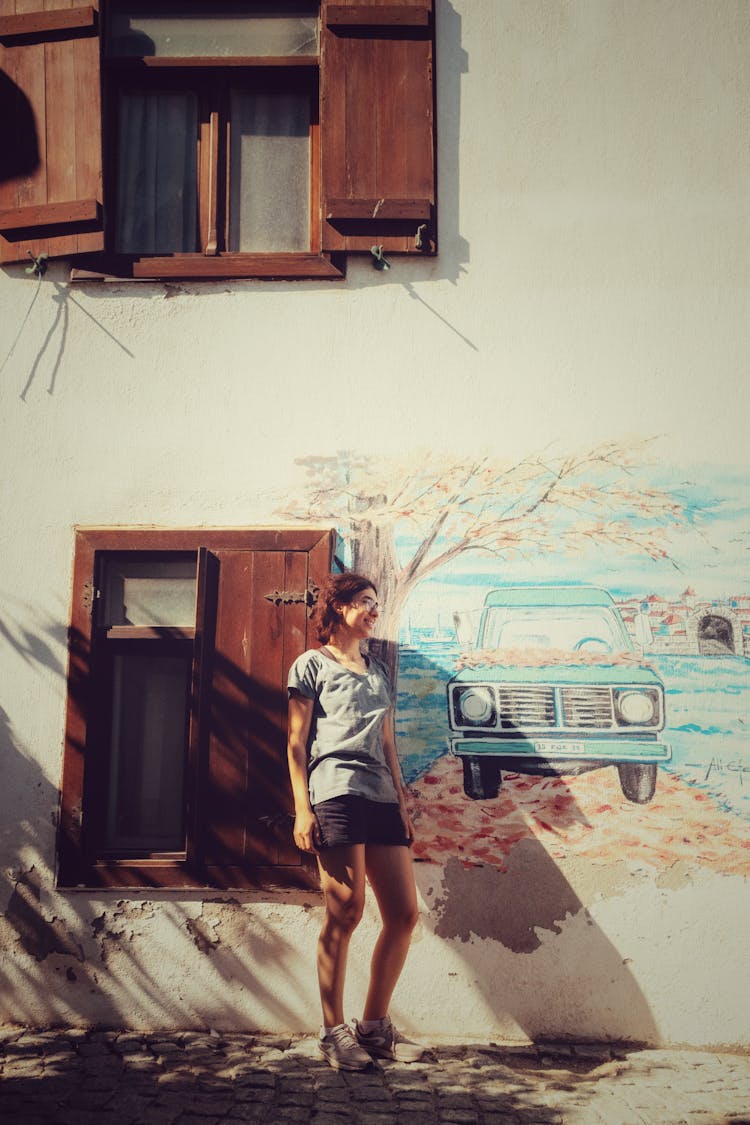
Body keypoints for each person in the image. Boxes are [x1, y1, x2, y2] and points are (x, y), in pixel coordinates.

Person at [286, 571, 424, 1071]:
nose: (373, 611)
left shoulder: (379, 671)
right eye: (365, 602)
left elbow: (387, 744)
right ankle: (331, 1032)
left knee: (404, 914)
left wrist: (403, 806)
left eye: (376, 604)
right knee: (346, 910)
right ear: (339, 607)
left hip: (381, 797)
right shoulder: (311, 665)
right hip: (335, 793)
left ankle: (374, 1028)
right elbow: (297, 743)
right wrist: (302, 807)